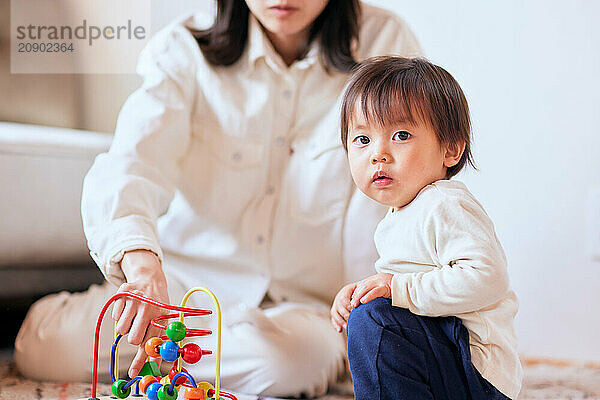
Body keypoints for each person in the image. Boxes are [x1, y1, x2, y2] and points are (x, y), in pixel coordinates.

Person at [14, 1, 422, 397]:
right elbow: (132, 163)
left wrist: (376, 318)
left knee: (291, 361)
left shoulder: (385, 40)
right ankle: (178, 348)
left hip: (305, 309)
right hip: (185, 291)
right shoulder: (184, 47)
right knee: (46, 349)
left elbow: (408, 186)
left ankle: (167, 358)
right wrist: (143, 270)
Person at [330, 56, 523, 399]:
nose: (379, 154)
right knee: (369, 313)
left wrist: (397, 290)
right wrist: (365, 290)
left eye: (400, 135)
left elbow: (489, 276)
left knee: (373, 321)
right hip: (448, 360)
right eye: (362, 140)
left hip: (476, 374)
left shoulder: (443, 204)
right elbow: (407, 285)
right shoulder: (399, 216)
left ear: (450, 149)